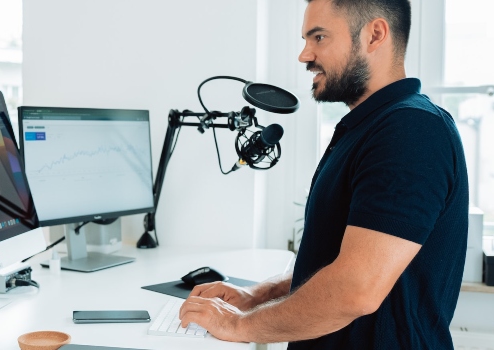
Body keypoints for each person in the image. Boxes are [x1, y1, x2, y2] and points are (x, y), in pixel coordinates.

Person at [179, 0, 469, 348]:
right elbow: (333, 261)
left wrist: (240, 326)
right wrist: (257, 296)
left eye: (318, 37)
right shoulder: (368, 129)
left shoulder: (411, 130)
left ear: (374, 35)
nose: (304, 55)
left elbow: (355, 289)